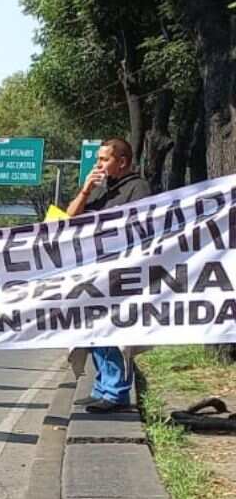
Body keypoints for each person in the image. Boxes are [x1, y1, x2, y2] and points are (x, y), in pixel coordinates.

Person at [66, 138, 151, 414]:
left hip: (119, 273)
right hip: (95, 273)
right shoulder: (102, 191)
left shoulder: (137, 188)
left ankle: (116, 393)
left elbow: (137, 227)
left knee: (112, 331)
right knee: (93, 330)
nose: (98, 165)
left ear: (122, 161)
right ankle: (102, 387)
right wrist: (85, 190)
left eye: (103, 160)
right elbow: (69, 219)